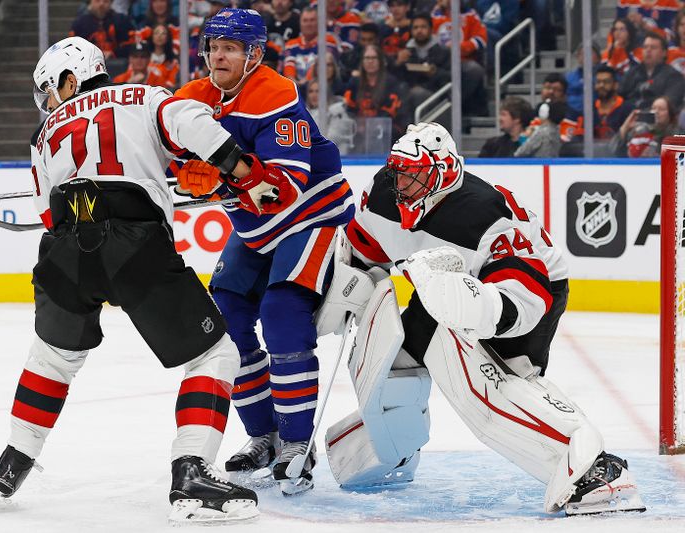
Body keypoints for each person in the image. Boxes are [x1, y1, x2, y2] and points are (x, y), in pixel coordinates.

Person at [0, 36, 275, 524]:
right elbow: (194, 126)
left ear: (70, 80)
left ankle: (12, 462)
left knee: (52, 359)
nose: (48, 103)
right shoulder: (145, 96)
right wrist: (245, 173)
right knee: (216, 353)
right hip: (134, 244)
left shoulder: (43, 135)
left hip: (62, 253)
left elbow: (45, 212)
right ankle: (191, 472)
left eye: (49, 90)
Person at [319, 121, 646, 515]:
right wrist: (342, 293)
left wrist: (474, 309)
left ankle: (597, 469)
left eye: (414, 174)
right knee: (396, 362)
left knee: (499, 385)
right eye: (399, 172)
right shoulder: (386, 191)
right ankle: (393, 453)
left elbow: (528, 296)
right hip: (442, 288)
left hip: (527, 291)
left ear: (444, 172)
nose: (402, 183)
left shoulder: (485, 215)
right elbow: (365, 248)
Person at [173, 8, 354, 495]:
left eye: (230, 47)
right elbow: (165, 142)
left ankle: (298, 443)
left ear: (254, 54)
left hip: (310, 216)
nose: (218, 56)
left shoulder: (275, 95)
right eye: (213, 46)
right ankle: (264, 436)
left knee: (281, 313)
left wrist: (217, 175)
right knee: (226, 319)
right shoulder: (198, 97)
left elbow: (285, 186)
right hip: (255, 231)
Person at [619, 32, 685, 109]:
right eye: (645, 47)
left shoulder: (674, 76)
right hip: (628, 116)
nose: (648, 50)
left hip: (656, 117)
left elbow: (669, 104)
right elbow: (619, 97)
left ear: (664, 53)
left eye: (653, 47)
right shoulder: (631, 73)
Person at [612, 95, 680, 157]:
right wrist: (625, 127)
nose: (656, 112)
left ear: (670, 114)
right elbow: (613, 152)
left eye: (661, 109)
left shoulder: (677, 134)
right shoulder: (641, 131)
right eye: (654, 108)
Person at [69, 0, 134, 59]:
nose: (101, 4)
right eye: (97, 1)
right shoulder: (80, 23)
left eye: (105, 1)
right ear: (90, 2)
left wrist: (113, 53)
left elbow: (130, 45)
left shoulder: (121, 20)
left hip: (116, 63)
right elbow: (73, 48)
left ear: (111, 3)